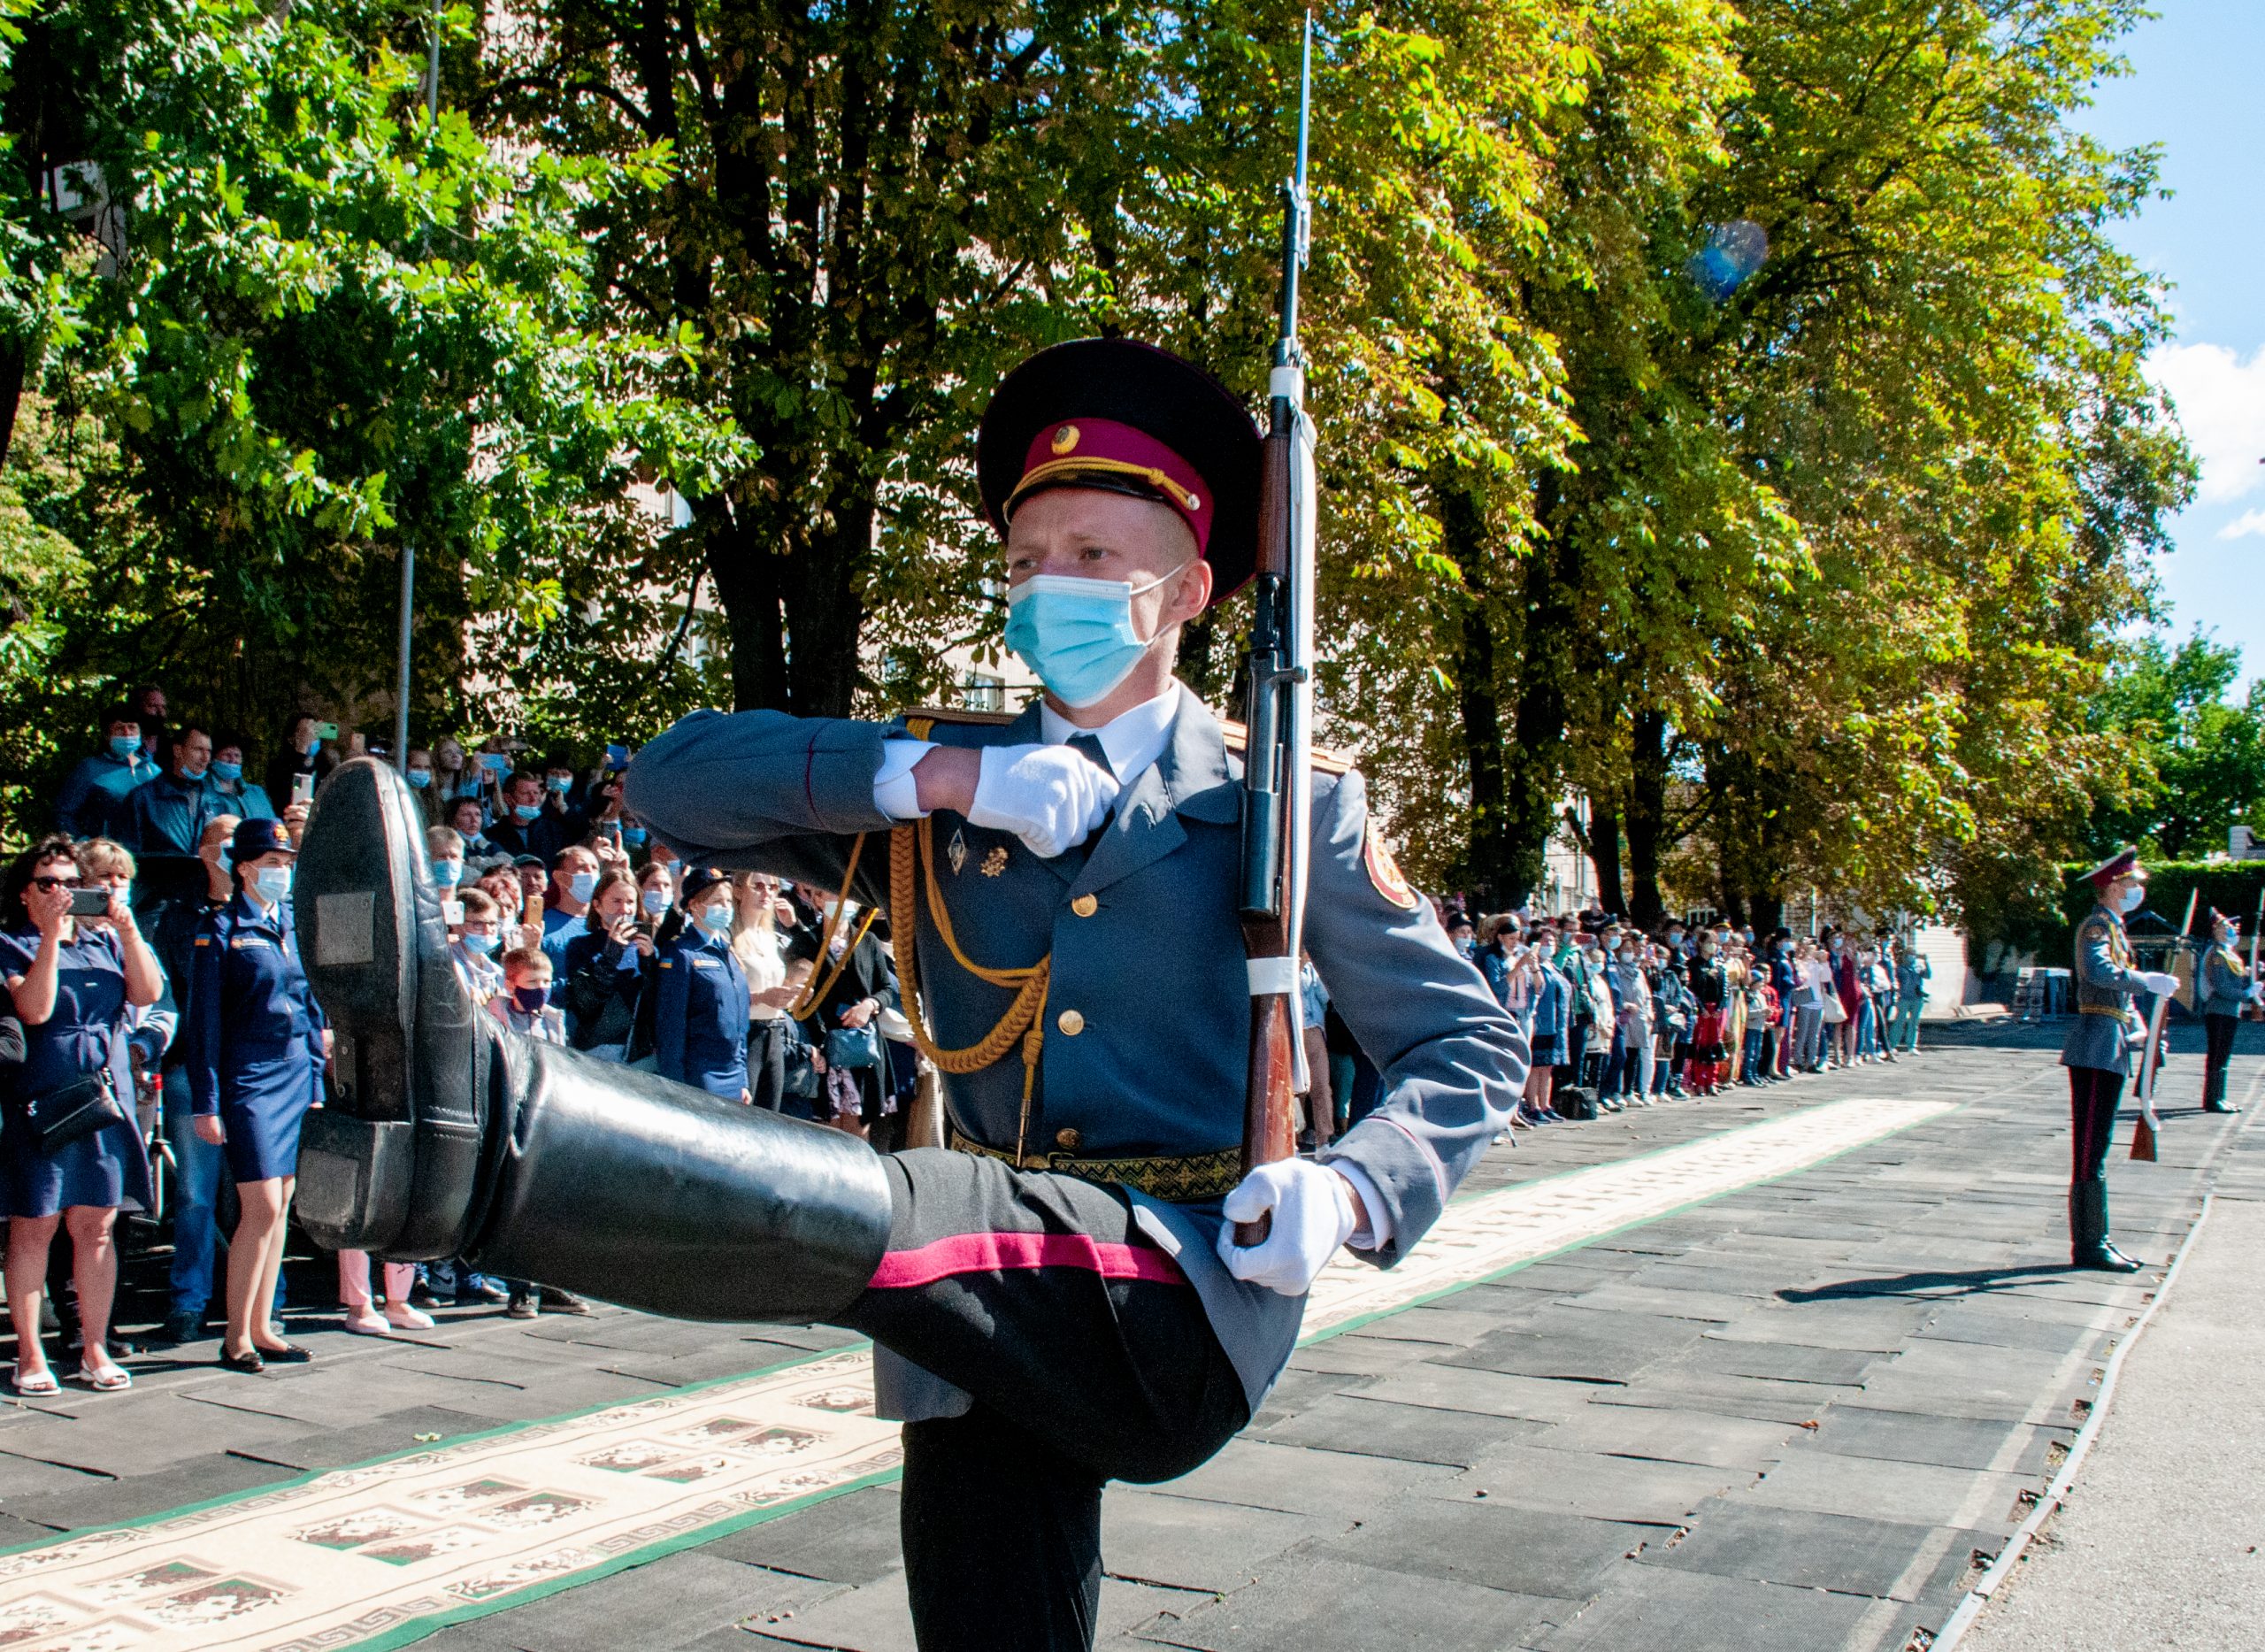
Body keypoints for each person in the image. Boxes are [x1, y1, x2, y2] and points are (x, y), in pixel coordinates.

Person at [292, 336, 1525, 1652]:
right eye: (1024, 560)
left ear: (1191, 590)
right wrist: (936, 779)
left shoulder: (1285, 801)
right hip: (976, 1311)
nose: (1049, 584)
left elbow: (1465, 1041)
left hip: (1182, 1283)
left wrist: (1351, 1187)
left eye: (1094, 558)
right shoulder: (947, 781)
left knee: (917, 1206)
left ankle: (489, 1136)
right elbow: (668, 782)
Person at [2, 835, 163, 1395]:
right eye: (49, 883)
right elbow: (37, 1008)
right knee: (35, 1226)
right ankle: (30, 1353)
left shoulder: (105, 943)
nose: (63, 893)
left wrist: (127, 928)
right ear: (25, 892)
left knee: (97, 1226)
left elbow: (149, 990)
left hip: (104, 1095)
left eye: (73, 883)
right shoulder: (12, 943)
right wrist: (51, 935)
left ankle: (94, 1346)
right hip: (45, 1098)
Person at [185, 818, 328, 1372]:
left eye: (285, 864)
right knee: (261, 1205)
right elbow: (204, 1027)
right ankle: (235, 1334)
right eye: (271, 864)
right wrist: (207, 1100)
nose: (280, 873)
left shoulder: (292, 924)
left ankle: (263, 1326)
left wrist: (317, 1081)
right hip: (247, 1078)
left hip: (294, 1073)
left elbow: (311, 1011)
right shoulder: (218, 930)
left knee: (283, 1204)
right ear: (242, 867)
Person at [2060, 849, 2181, 1272]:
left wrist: (2139, 1025)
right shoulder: (2097, 925)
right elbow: (2098, 973)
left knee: (2099, 1145)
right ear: (2113, 887)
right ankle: (2090, 1245)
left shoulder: (2115, 926)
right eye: (2131, 884)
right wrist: (2145, 980)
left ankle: (2098, 1238)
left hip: (2109, 1042)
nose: (2136, 891)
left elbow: (2119, 995)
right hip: (2095, 1045)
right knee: (2091, 1147)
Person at [653, 867, 752, 1100]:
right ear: (695, 905)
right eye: (718, 901)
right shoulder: (681, 953)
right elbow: (671, 1027)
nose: (726, 908)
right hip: (700, 1074)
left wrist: (743, 1079)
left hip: (734, 1074)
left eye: (728, 901)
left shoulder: (728, 952)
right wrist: (676, 1086)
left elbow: (740, 1023)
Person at [559, 871, 654, 1059]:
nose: (625, 910)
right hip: (597, 1050)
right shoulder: (580, 946)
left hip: (638, 1053)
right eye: (616, 901)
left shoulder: (645, 948)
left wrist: (649, 962)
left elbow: (654, 1004)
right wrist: (611, 955)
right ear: (598, 905)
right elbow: (586, 1004)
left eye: (630, 902)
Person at [733, 872, 801, 1110]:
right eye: (758, 886)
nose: (767, 893)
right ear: (739, 890)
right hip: (746, 1032)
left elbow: (812, 951)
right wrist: (762, 997)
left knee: (770, 1114)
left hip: (774, 1032)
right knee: (742, 1112)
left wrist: (791, 995)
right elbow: (722, 996)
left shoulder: (771, 936)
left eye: (773, 887)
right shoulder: (729, 934)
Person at [56, 704, 160, 841]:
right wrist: (82, 843)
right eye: (119, 728)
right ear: (106, 734)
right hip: (106, 855)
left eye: (132, 727)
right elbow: (64, 813)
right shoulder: (90, 769)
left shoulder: (153, 771)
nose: (127, 733)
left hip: (148, 854)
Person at [2190, 910, 2256, 1114]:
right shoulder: (2217, 954)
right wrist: (2245, 994)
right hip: (2219, 1010)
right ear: (2216, 930)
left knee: (2224, 1055)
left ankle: (2220, 1096)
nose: (2230, 930)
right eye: (2226, 927)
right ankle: (2212, 1099)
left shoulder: (2228, 953)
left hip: (2229, 1011)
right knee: (2217, 1054)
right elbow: (2221, 986)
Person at [127, 726, 228, 858]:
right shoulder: (143, 798)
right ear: (178, 751)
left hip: (202, 878)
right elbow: (130, 855)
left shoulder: (217, 801)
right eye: (198, 749)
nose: (205, 758)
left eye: (209, 751)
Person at [484, 772, 573, 864]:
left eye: (536, 793)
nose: (533, 799)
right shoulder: (492, 835)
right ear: (508, 799)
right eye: (526, 793)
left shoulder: (554, 831)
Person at [537, 845, 600, 975]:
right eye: (581, 868)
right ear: (559, 877)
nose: (590, 873)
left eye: (595, 868)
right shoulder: (540, 925)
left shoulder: (605, 923)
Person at [264, 713, 337, 809]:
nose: (311, 736)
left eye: (314, 731)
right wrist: (301, 750)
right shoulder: (278, 766)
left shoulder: (325, 764)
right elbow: (294, 789)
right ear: (291, 739)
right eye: (306, 731)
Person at [209, 734, 280, 822]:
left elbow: (274, 826)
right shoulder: (204, 794)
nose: (233, 760)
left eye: (237, 755)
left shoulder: (257, 793)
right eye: (227, 755)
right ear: (212, 759)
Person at [1893, 935, 1931, 1053]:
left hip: (1917, 998)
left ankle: (1911, 1045)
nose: (1912, 956)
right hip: (1904, 998)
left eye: (1914, 954)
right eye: (1910, 953)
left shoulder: (1918, 967)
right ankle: (1893, 1044)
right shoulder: (1900, 968)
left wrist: (1926, 962)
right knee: (1900, 1021)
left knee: (1914, 1022)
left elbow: (1928, 975)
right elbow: (1898, 980)